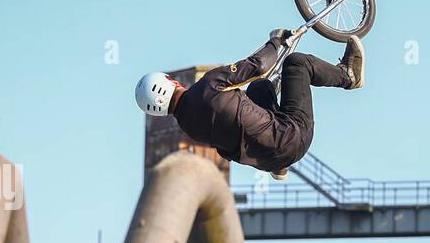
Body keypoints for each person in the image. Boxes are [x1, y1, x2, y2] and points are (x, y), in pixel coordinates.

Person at [134, 30, 364, 179]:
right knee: (297, 63)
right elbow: (258, 65)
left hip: (270, 159)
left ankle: (279, 168)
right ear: (171, 82)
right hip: (294, 135)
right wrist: (276, 41)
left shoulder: (190, 129)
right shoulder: (209, 85)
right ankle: (349, 75)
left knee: (259, 88)